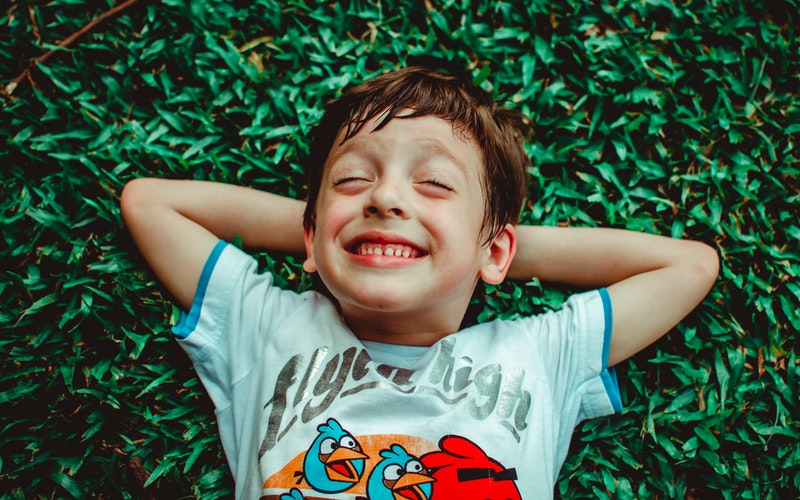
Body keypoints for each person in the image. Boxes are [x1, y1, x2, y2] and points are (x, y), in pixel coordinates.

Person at [120, 66, 719, 499]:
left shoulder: (537, 355)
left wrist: (491, 243)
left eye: (433, 184)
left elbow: (689, 267)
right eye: (354, 177)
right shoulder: (269, 328)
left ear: (497, 251)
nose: (385, 196)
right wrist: (323, 226)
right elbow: (149, 205)